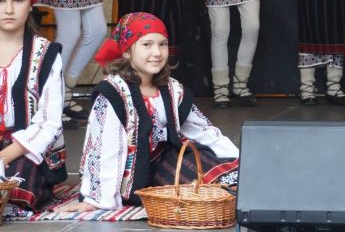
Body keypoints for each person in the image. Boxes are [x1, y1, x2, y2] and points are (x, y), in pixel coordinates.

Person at [70, 12, 239, 211]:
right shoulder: (113, 93)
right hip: (129, 172)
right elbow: (105, 148)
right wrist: (98, 199)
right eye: (147, 45)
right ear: (126, 51)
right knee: (196, 189)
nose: (157, 52)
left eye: (163, 44)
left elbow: (203, 130)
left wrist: (240, 159)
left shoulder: (172, 89)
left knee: (213, 170)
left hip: (164, 160)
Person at [0, 0, 67, 210]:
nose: (8, 9)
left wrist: (3, 157)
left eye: (17, 0)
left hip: (25, 148)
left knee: (18, 184)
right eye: (1, 0)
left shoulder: (46, 54)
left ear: (31, 4)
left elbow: (49, 121)